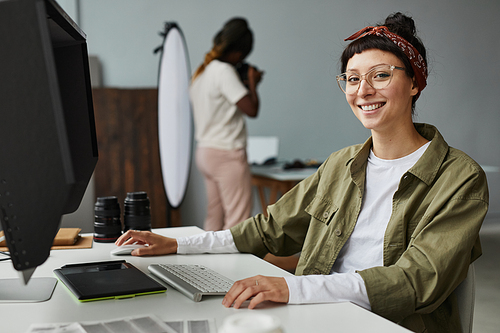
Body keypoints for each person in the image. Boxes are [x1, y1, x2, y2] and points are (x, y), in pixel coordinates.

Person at [116, 12, 488, 333]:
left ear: (415, 83)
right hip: (320, 316)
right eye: (352, 78)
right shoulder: (340, 164)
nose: (363, 90)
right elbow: (267, 229)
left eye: (380, 75)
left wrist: (292, 289)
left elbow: (417, 281)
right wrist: (179, 243)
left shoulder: (460, 177)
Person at [189, 17, 263, 231]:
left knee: (215, 214)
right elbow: (251, 110)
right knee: (238, 222)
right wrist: (253, 84)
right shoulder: (224, 71)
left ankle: (206, 265)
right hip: (226, 154)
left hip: (205, 152)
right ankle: (233, 265)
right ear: (240, 53)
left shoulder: (201, 72)